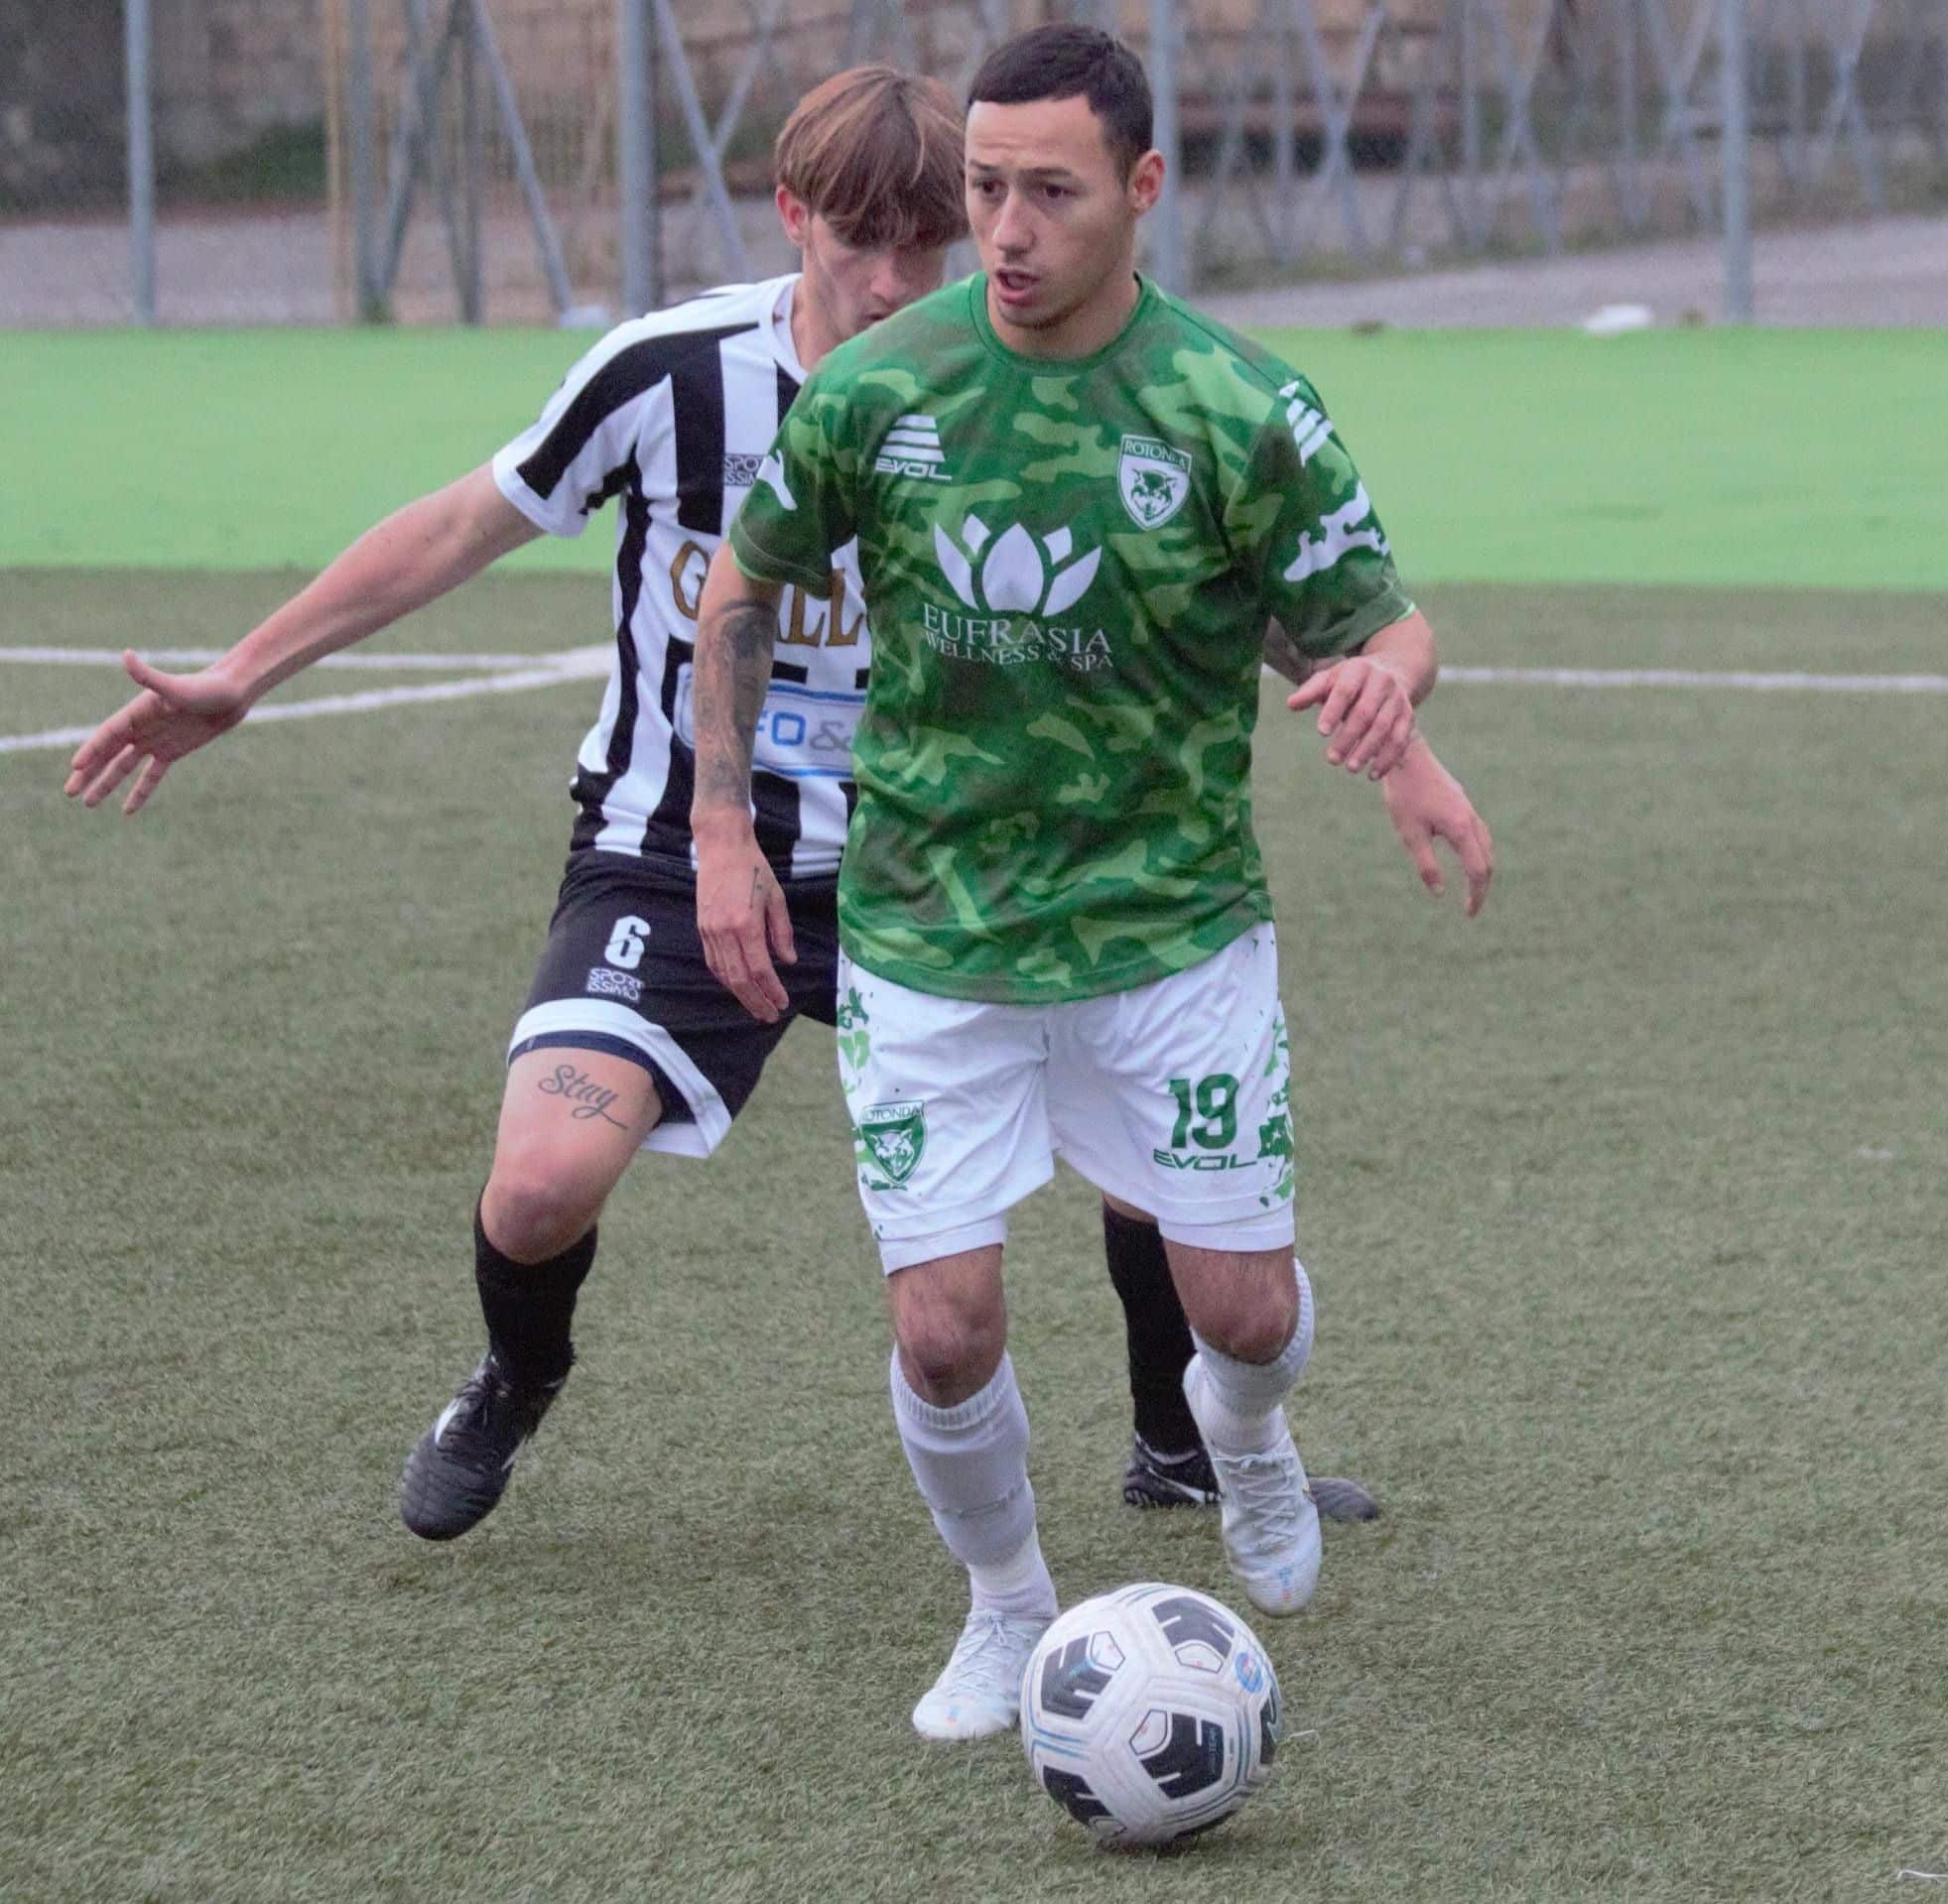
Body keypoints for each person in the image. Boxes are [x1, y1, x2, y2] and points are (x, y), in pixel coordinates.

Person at [57, 64, 1330, 1543]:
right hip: (673, 850)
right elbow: (466, 521)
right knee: (537, 1186)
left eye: (929, 241)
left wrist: (1358, 668)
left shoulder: (1025, 377)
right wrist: (245, 673)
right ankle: (515, 1379)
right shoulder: (672, 373)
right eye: (859, 238)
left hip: (948, 858)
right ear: (791, 217)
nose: (894, 278)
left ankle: (1177, 1442)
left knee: (1154, 1137)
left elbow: (1241, 573)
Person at [689, 25, 1494, 1740]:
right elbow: (740, 593)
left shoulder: (1235, 407)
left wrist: (1394, 705)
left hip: (1170, 933)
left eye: (1049, 191)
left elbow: (1378, 619)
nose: (1005, 229)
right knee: (945, 1330)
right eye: (985, 188)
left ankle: (1250, 1439)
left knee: (1246, 1312)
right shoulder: (880, 389)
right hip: (930, 933)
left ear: (1141, 190)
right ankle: (1005, 1610)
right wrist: (720, 829)